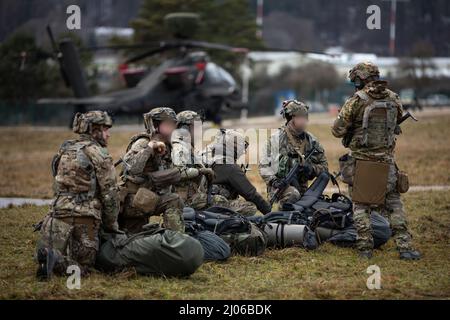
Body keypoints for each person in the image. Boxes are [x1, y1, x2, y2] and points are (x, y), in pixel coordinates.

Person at [331, 61, 421, 260]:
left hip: (361, 164)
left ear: (359, 79)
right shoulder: (393, 98)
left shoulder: (356, 100)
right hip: (387, 164)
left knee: (361, 206)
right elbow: (396, 121)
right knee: (394, 205)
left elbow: (337, 130)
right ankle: (405, 248)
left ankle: (365, 249)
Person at [36, 111, 121, 280]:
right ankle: (57, 259)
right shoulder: (99, 154)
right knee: (84, 268)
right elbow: (110, 195)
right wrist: (112, 227)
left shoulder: (65, 148)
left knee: (59, 252)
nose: (109, 134)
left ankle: (51, 256)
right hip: (84, 219)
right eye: (105, 129)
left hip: (55, 217)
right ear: (94, 130)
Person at [259, 100, 328, 208]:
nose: (304, 120)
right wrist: (274, 181)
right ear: (290, 118)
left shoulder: (312, 141)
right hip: (279, 188)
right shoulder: (276, 139)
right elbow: (263, 166)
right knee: (293, 195)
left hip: (303, 189)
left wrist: (310, 168)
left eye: (305, 117)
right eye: (300, 117)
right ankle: (282, 217)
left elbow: (324, 168)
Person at [200, 129, 271, 216]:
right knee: (250, 207)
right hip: (212, 206)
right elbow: (251, 194)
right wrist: (269, 212)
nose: (242, 152)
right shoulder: (230, 167)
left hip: (199, 202)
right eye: (241, 148)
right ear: (234, 148)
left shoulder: (206, 156)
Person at [171, 110, 215, 208]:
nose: (200, 132)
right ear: (184, 128)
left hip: (191, 195)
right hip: (184, 199)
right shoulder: (179, 146)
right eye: (197, 127)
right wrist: (201, 171)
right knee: (221, 202)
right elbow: (179, 172)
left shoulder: (188, 146)